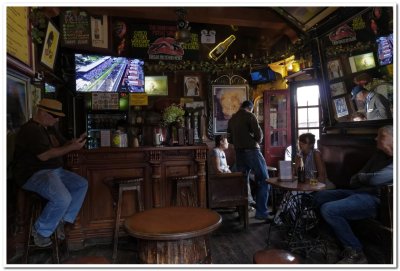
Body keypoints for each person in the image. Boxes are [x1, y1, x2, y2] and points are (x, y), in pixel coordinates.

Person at [13, 98, 88, 247]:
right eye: (54, 116)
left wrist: (74, 143)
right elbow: (44, 155)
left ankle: (60, 220)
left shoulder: (50, 128)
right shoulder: (30, 129)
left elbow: (62, 144)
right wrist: (72, 148)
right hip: (35, 174)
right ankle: (40, 231)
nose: (57, 119)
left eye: (58, 117)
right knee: (63, 198)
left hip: (55, 171)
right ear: (42, 113)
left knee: (81, 184)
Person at [313, 125, 393, 264]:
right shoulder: (378, 155)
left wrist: (364, 178)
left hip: (377, 200)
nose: (376, 138)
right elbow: (356, 177)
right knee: (318, 197)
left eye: (381, 136)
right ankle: (331, 240)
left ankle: (356, 251)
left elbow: (374, 179)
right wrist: (365, 178)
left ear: (394, 138)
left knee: (329, 210)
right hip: (359, 191)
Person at [227, 100, 271, 220]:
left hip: (239, 153)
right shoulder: (250, 115)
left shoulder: (232, 119)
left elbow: (229, 139)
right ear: (250, 108)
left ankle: (243, 213)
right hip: (252, 151)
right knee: (264, 180)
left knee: (243, 182)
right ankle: (262, 212)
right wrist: (252, 138)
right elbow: (259, 137)